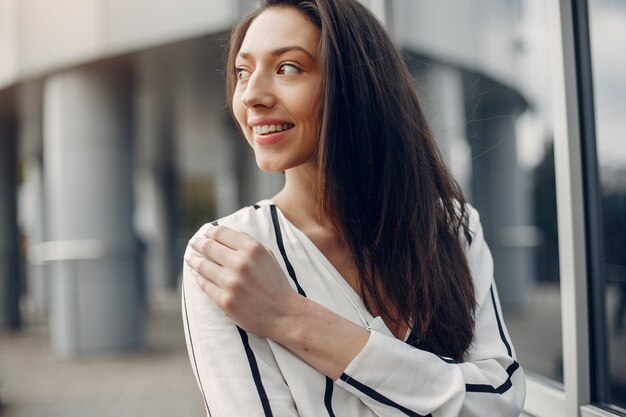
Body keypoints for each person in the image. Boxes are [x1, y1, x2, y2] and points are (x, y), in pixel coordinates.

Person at [182, 0, 526, 416]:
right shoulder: (227, 257)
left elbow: (500, 400)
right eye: (242, 71)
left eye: (288, 67)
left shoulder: (451, 228)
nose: (251, 95)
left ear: (355, 84)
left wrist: (291, 317)